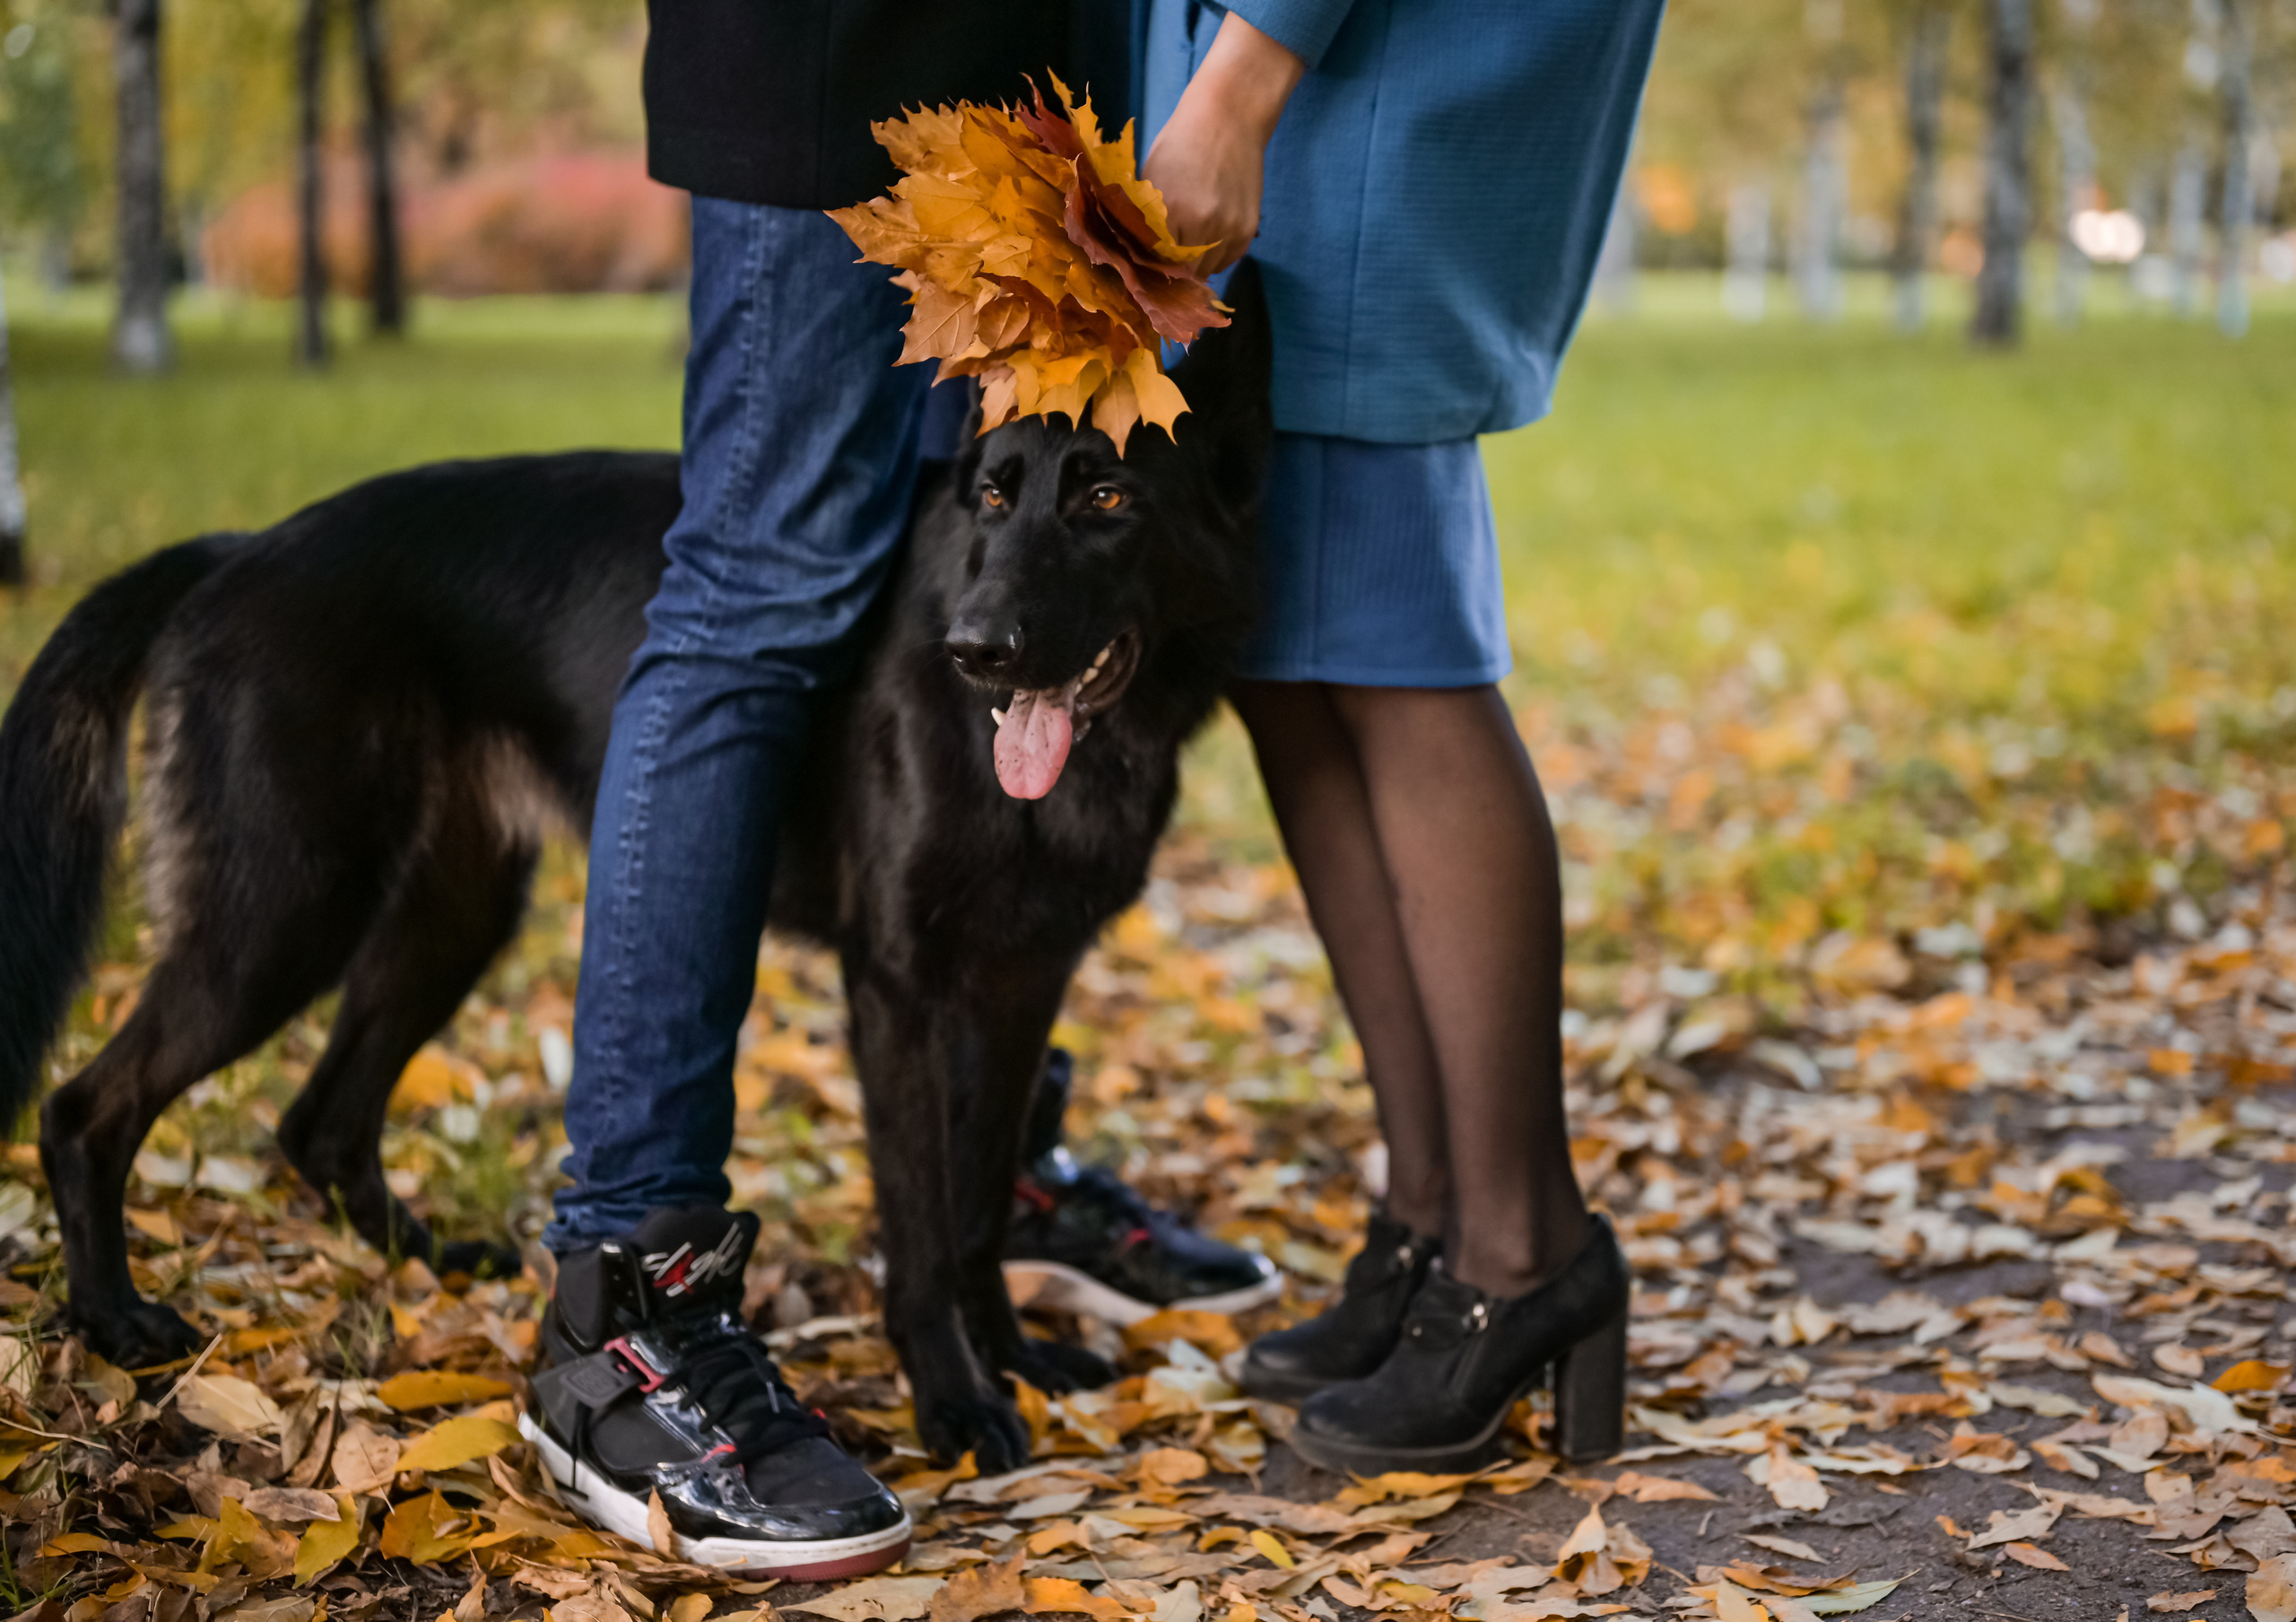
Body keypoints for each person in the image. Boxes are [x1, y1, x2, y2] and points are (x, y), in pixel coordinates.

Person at [525, 0, 1269, 1578]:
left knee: (985, 564)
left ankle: (971, 1243)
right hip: (844, 69)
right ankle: (627, 1292)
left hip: (1032, 105)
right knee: (756, 593)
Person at [1135, 0, 1665, 1470]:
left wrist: (1242, 83)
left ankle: (1522, 1247)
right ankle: (1435, 1210)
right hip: (1271, 73)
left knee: (1395, 661)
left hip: (1345, 73)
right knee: (1291, 661)